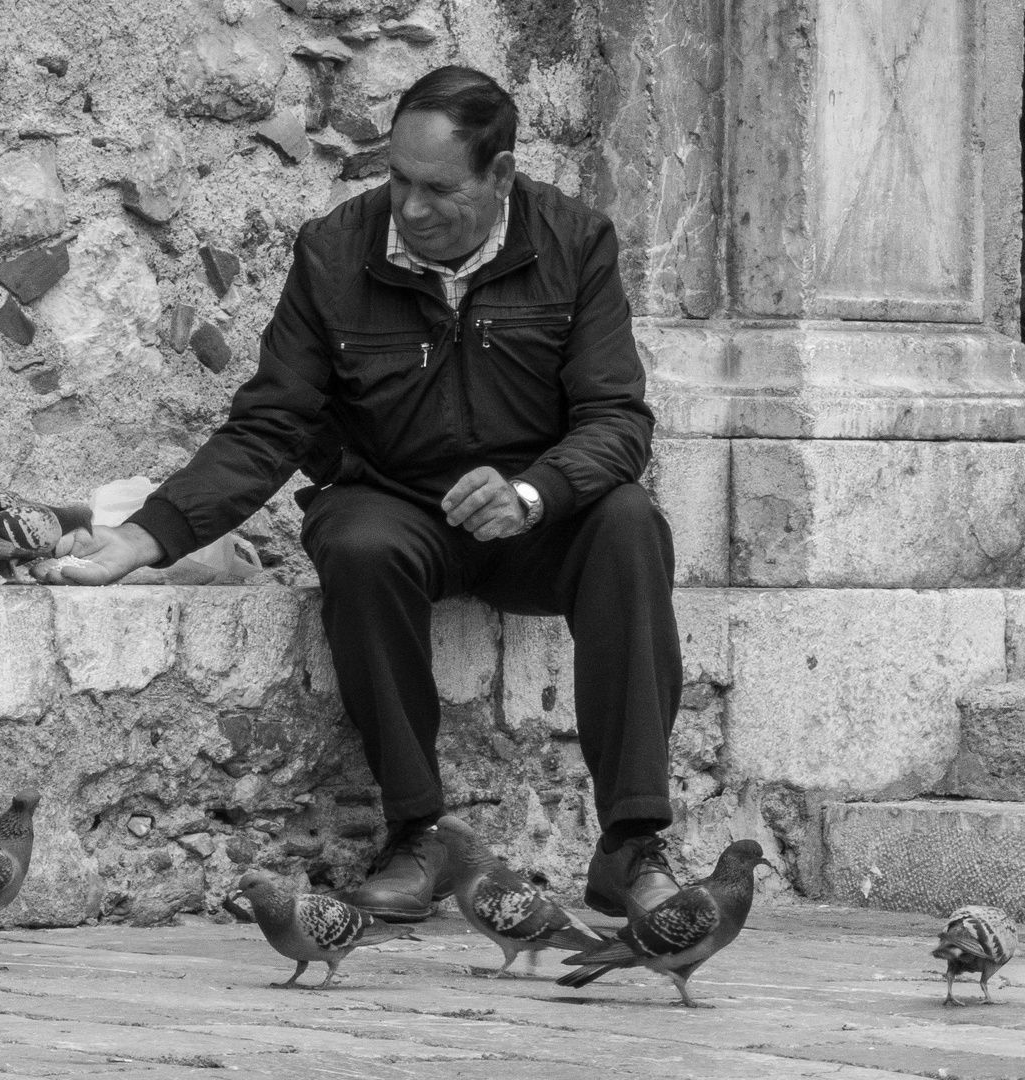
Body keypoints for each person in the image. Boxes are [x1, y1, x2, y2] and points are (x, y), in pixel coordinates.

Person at [35, 65, 683, 923]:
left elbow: (615, 420)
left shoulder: (574, 242)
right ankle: (417, 833)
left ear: (500, 176)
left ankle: (629, 845)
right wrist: (146, 537)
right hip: (391, 502)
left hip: (533, 515)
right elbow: (271, 425)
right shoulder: (335, 251)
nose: (409, 209)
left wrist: (534, 491)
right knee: (353, 540)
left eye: (436, 189)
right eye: (397, 180)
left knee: (630, 520)